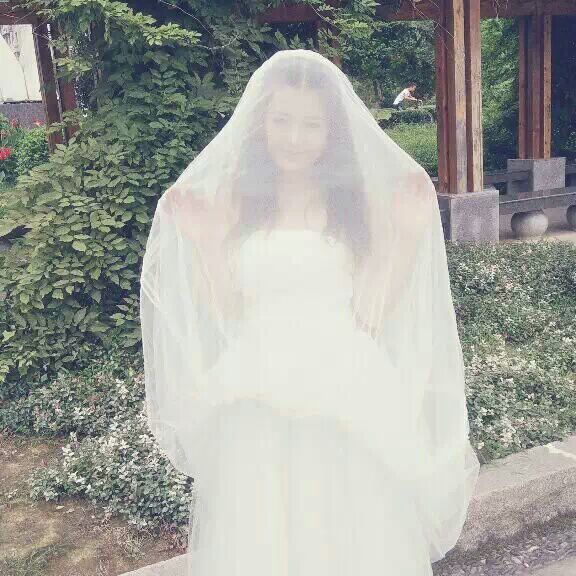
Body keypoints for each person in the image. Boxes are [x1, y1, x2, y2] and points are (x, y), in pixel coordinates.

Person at [138, 49, 479, 576]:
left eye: (311, 124)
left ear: (330, 132)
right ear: (262, 123)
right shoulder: (237, 200)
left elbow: (373, 314)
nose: (294, 137)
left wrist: (410, 236)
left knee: (347, 529)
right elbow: (227, 309)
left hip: (343, 387)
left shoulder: (355, 204)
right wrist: (204, 243)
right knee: (262, 532)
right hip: (256, 390)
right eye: (282, 120)